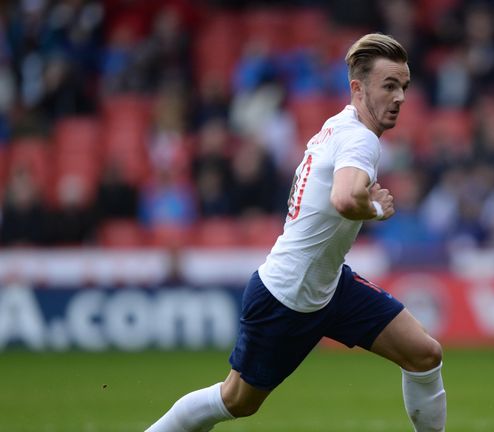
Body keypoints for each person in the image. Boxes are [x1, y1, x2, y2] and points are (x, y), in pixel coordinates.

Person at [146, 33, 447, 432]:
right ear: (358, 89)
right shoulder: (360, 140)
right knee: (236, 400)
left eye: (404, 87)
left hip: (331, 286)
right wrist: (375, 207)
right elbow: (344, 199)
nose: (400, 97)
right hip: (287, 297)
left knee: (424, 353)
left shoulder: (339, 126)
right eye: (389, 85)